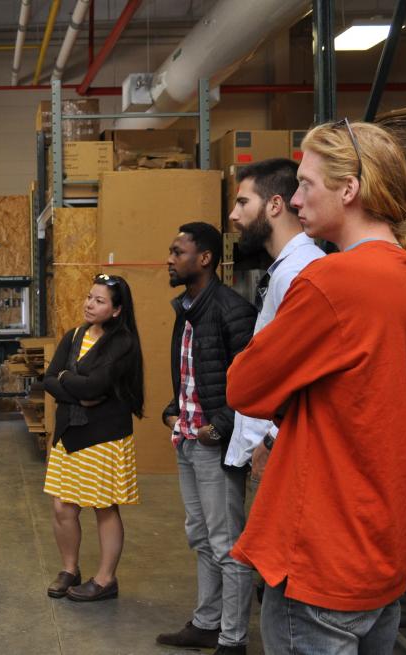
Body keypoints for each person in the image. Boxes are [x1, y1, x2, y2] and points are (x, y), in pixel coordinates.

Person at [228, 120, 406, 654]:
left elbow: (245, 387)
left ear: (349, 191)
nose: (295, 200)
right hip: (379, 548)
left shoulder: (332, 282)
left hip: (322, 549)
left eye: (306, 184)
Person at [156, 222, 257, 655]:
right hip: (188, 439)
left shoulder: (233, 310)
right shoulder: (187, 309)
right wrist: (175, 409)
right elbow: (193, 374)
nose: (170, 259)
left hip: (214, 445)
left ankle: (233, 640)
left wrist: (220, 426)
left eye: (178, 252)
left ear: (206, 259)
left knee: (227, 544)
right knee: (199, 535)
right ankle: (206, 622)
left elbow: (253, 384)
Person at [41, 274, 145, 602]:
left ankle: (105, 580)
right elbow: (49, 379)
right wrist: (77, 389)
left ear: (116, 310)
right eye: (89, 297)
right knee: (62, 507)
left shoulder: (122, 343)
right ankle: (70, 569)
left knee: (104, 507)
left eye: (100, 301)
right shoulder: (74, 335)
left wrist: (68, 381)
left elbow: (95, 387)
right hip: (69, 433)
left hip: (103, 436)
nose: (89, 304)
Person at [221, 158, 326, 480]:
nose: (233, 215)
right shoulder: (286, 268)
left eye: (243, 202)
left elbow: (309, 371)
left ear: (275, 205)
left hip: (283, 452)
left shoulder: (298, 273)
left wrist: (273, 439)